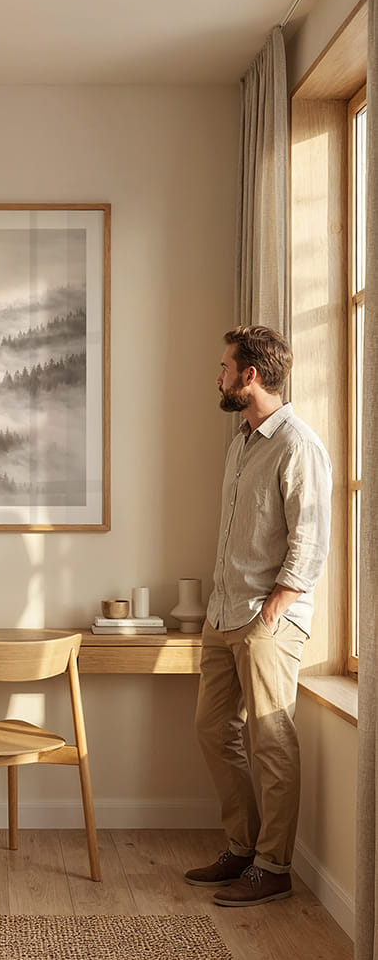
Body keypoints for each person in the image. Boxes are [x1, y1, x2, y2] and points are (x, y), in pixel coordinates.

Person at [185, 325, 332, 907]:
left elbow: (312, 541)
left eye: (224, 367)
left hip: (265, 620)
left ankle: (274, 865)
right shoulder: (241, 443)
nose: (217, 376)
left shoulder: (298, 444)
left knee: (272, 739)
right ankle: (241, 848)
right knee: (212, 729)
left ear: (250, 376)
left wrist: (274, 610)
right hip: (223, 615)